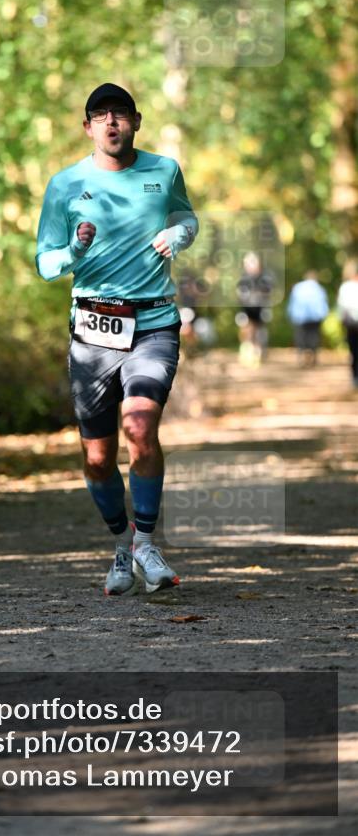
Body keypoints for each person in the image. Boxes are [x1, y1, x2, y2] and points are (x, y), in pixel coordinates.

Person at [35, 83, 198, 596]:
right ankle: (121, 546)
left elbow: (187, 217)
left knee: (140, 426)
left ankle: (146, 542)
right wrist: (74, 253)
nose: (111, 123)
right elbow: (45, 261)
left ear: (136, 121)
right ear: (87, 127)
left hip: (153, 322)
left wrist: (178, 235)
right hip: (92, 332)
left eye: (120, 115)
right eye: (100, 116)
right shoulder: (65, 184)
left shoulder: (164, 170)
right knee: (99, 458)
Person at [236, 251, 274, 367]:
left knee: (259, 332)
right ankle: (247, 353)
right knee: (246, 330)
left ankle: (258, 353)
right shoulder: (243, 278)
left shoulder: (265, 277)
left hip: (260, 309)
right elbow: (240, 294)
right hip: (246, 310)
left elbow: (267, 292)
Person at [286, 270, 329, 366]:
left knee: (300, 336)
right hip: (315, 317)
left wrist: (290, 315)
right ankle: (313, 356)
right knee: (314, 336)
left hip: (300, 317)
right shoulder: (319, 288)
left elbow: (292, 304)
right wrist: (323, 315)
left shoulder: (298, 288)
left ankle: (301, 356)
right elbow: (323, 305)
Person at [337, 259, 358, 388]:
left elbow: (342, 307)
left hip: (351, 325)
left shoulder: (345, 287)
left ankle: (355, 376)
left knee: (354, 351)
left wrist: (342, 320)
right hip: (352, 324)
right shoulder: (346, 287)